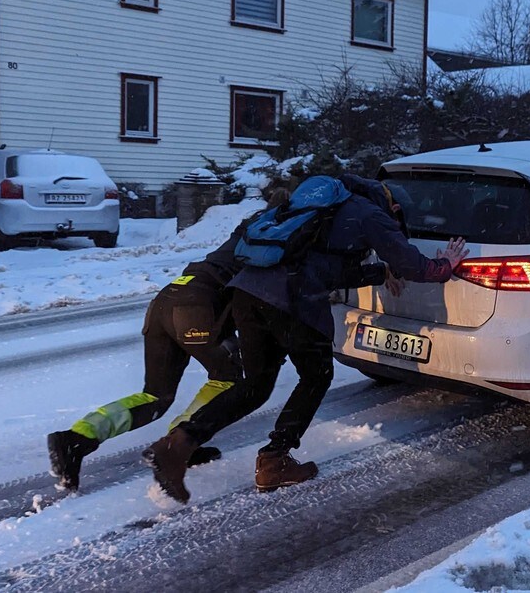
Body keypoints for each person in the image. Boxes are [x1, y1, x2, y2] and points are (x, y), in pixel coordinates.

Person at [145, 174, 467, 503]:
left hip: (247, 293)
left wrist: (378, 272)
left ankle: (179, 443)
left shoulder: (316, 206)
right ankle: (274, 460)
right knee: (316, 374)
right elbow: (413, 265)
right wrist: (446, 265)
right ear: (394, 208)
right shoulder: (370, 214)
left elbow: (326, 266)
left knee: (255, 386)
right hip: (291, 300)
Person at [45, 189, 288, 492]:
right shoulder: (279, 239)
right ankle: (181, 441)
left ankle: (76, 438)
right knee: (231, 379)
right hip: (199, 305)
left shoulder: (250, 227)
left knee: (155, 396)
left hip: (167, 299)